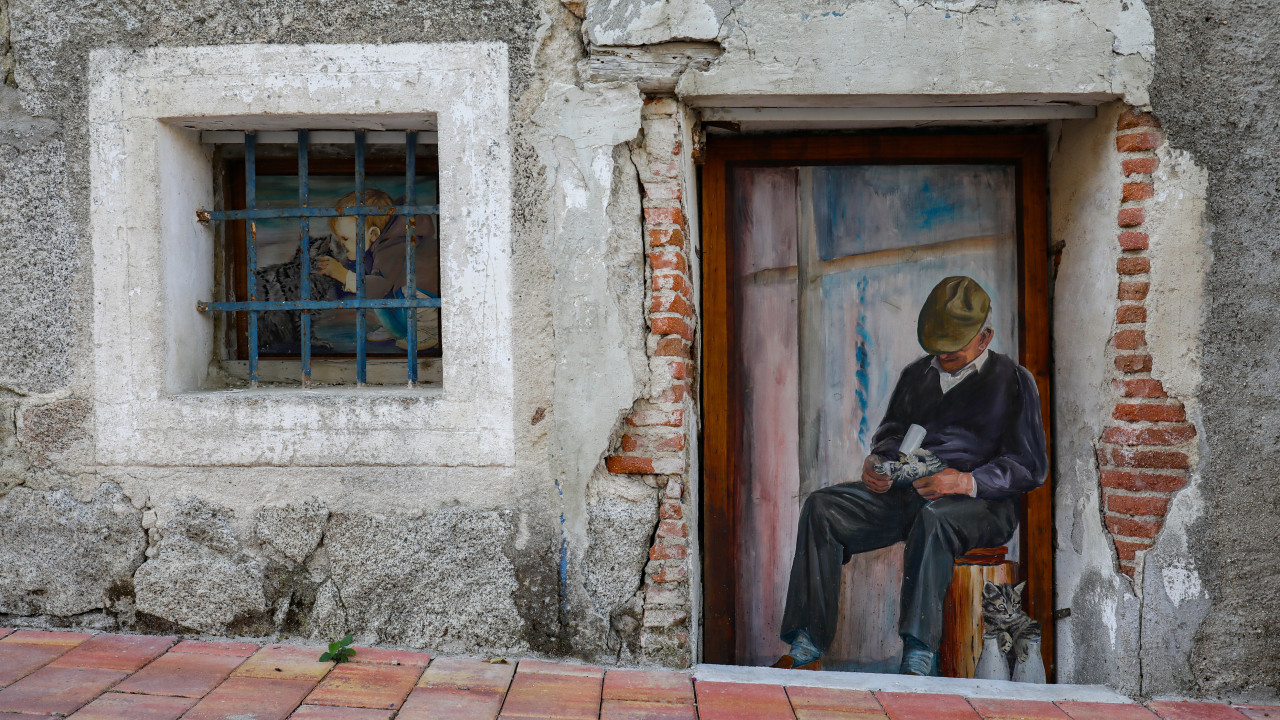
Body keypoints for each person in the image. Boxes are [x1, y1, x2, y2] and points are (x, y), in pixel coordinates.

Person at [773, 275, 1047, 675]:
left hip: (983, 505)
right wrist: (878, 466)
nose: (941, 360)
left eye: (952, 352)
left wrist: (964, 481)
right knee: (822, 507)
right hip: (910, 492)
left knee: (934, 520)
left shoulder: (1015, 381)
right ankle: (806, 645)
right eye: (936, 351)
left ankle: (919, 654)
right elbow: (889, 434)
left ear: (984, 338)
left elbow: (1030, 466)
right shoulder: (917, 374)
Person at [315, 188, 440, 350]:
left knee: (381, 289)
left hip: (424, 293)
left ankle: (427, 329)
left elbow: (380, 285)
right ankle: (398, 328)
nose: (342, 244)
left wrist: (343, 275)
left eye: (346, 238)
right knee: (378, 291)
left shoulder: (393, 244)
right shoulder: (379, 244)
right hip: (406, 295)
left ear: (373, 234)